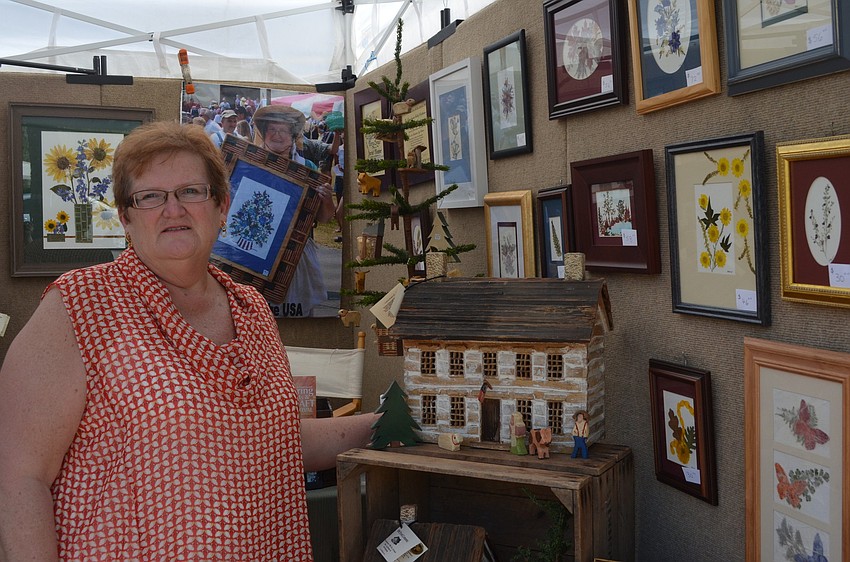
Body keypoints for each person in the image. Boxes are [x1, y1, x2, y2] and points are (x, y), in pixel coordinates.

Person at [0, 121, 377, 560]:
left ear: (222, 206)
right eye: (150, 197)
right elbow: (18, 478)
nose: (173, 209)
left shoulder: (252, 309)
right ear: (125, 216)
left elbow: (270, 438)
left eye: (191, 192)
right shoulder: (81, 305)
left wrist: (384, 426)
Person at [251, 105, 337, 317]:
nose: (277, 135)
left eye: (283, 130)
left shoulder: (307, 167)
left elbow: (324, 217)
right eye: (272, 129)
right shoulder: (250, 163)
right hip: (255, 254)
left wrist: (326, 199)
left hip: (295, 256)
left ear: (292, 136)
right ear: (264, 133)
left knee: (299, 314)